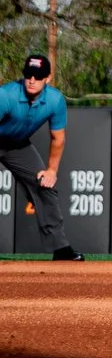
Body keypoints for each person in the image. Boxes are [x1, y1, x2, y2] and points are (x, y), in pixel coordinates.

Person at [1, 55, 74, 261]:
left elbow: (58, 138)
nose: (32, 80)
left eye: (38, 76)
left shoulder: (55, 100)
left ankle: (61, 248)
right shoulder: (6, 96)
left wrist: (52, 170)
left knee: (45, 186)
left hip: (17, 145)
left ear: (48, 78)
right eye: (28, 75)